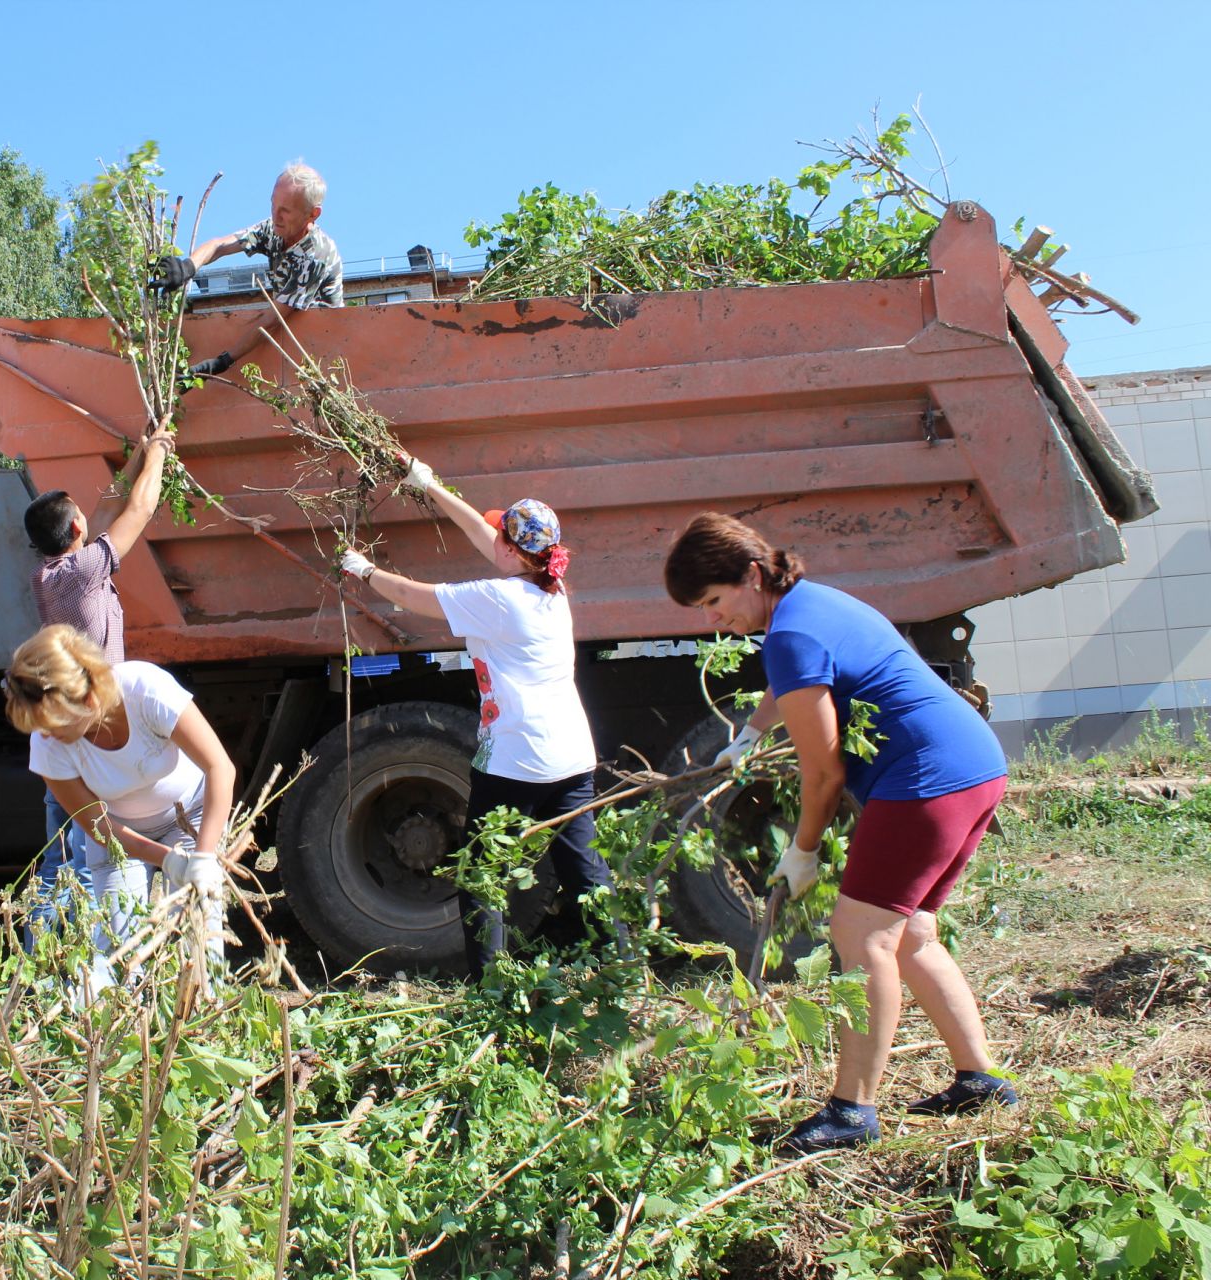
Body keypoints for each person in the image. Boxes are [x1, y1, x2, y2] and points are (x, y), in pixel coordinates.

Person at [663, 512, 1015, 1153]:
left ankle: (852, 1113)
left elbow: (823, 774)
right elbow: (794, 684)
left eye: (714, 602)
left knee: (861, 937)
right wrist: (748, 733)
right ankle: (981, 1080)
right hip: (974, 766)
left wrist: (802, 852)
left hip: (927, 781)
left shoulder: (790, 634)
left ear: (750, 574)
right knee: (909, 932)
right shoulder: (812, 604)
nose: (713, 620)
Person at [340, 456, 609, 976]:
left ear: (512, 550)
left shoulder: (500, 598)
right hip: (573, 755)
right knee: (584, 869)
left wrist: (364, 571)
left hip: (516, 757)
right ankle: (622, 965)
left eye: (499, 539)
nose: (492, 544)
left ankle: (493, 984)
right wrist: (429, 484)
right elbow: (484, 536)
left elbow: (414, 598)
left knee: (482, 875)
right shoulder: (548, 590)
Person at [2, 624, 235, 986]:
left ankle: (204, 1015)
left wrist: (202, 859)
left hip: (189, 818)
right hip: (117, 839)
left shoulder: (146, 690)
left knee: (200, 943)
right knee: (118, 952)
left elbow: (220, 766)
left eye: (54, 723)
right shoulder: (48, 746)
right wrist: (167, 860)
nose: (46, 734)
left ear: (87, 698)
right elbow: (99, 826)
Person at [22, 419, 178, 926]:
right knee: (82, 864)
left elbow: (109, 506)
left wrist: (138, 453)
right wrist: (159, 452)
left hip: (68, 730)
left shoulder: (52, 573)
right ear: (76, 532)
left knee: (60, 861)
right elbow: (139, 509)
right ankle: (69, 974)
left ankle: (42, 972)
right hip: (88, 733)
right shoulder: (85, 571)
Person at [151, 161, 344, 381]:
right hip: (288, 341)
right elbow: (221, 244)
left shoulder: (315, 255)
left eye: (285, 211)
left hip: (323, 351)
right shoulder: (274, 229)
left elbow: (272, 320)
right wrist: (187, 267)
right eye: (273, 205)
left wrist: (220, 362)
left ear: (312, 214)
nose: (275, 216)